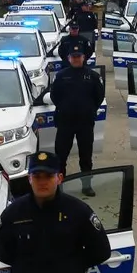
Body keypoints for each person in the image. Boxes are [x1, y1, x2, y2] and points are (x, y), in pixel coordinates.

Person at [50, 48, 104, 193]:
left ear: (83, 57)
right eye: (73, 56)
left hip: (85, 123)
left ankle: (86, 185)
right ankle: (60, 186)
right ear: (68, 58)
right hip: (65, 122)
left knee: (86, 156)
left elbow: (99, 96)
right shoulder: (61, 76)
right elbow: (54, 96)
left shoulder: (92, 76)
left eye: (78, 56)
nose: (76, 59)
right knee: (61, 156)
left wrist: (88, 109)